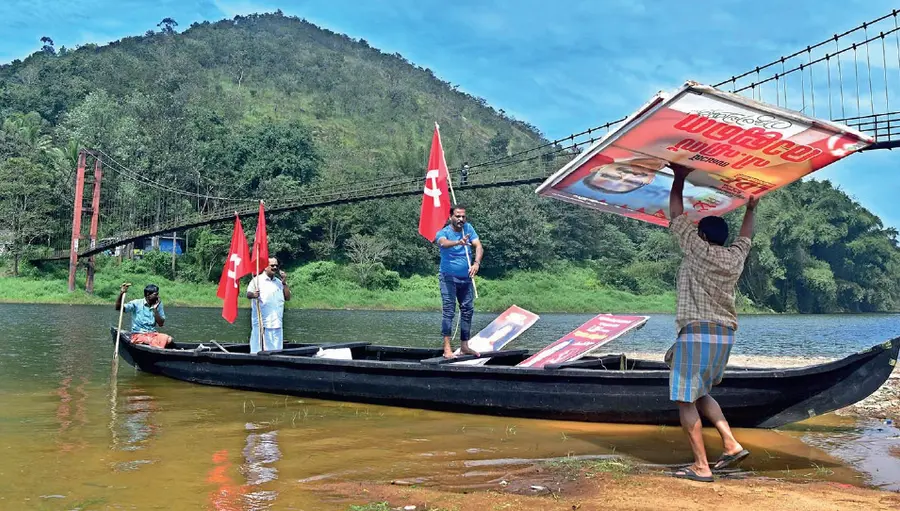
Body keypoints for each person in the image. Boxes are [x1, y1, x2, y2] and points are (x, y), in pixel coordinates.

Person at [666, 162, 758, 483]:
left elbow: (677, 215)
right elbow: (746, 237)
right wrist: (752, 206)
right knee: (700, 392)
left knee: (684, 399)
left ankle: (701, 466)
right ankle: (730, 444)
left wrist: (678, 177)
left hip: (698, 333)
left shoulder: (697, 250)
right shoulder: (734, 258)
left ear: (702, 235)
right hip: (724, 336)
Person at [434, 204, 483, 359]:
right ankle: (447, 349)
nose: (461, 219)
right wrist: (458, 243)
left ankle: (464, 346)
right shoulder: (444, 232)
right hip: (448, 277)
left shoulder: (468, 229)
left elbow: (479, 245)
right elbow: (443, 243)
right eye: (458, 216)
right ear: (451, 217)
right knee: (449, 311)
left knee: (467, 310)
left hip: (466, 278)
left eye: (463, 216)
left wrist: (476, 263)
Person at [246, 257, 291, 354]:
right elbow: (248, 294)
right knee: (258, 350)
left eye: (276, 265)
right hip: (262, 324)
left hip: (277, 323)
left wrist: (284, 283)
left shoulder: (279, 282)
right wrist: (254, 295)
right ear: (265, 267)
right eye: (272, 265)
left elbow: (287, 297)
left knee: (276, 351)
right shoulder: (257, 280)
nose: (275, 267)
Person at [115, 283, 173, 348]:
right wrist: (121, 293)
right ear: (148, 295)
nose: (158, 297)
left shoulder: (158, 304)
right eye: (155, 294)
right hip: (139, 334)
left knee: (169, 339)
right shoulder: (137, 303)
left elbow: (161, 324)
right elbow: (118, 308)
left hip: (152, 334)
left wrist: (155, 310)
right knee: (153, 341)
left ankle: (157, 346)